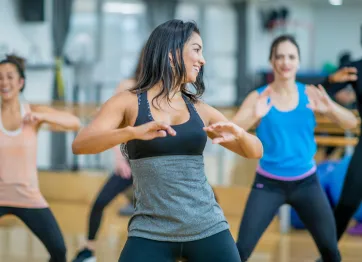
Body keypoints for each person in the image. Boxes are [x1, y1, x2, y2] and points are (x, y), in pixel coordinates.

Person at [72, 19, 263, 262]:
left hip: (207, 227)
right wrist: (131, 132)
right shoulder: (129, 102)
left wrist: (240, 134)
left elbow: (255, 151)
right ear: (172, 54)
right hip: (150, 232)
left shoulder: (200, 109)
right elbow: (81, 143)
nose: (202, 59)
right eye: (196, 50)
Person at [232, 35, 358, 262]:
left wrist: (329, 108)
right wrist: (254, 115)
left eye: (291, 56)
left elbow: (352, 122)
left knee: (331, 251)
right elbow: (231, 130)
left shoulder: (309, 94)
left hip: (307, 183)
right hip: (267, 185)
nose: (285, 62)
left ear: (298, 62)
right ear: (272, 61)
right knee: (240, 252)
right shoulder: (259, 96)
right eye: (279, 56)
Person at [0, 54, 81, 262]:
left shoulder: (33, 112)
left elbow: (74, 122)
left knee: (59, 251)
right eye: (0, 77)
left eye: (9, 77)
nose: (4, 82)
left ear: (20, 82)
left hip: (28, 195)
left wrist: (44, 117)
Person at [71, 51, 143, 262]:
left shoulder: (164, 89)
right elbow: (111, 124)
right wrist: (119, 158)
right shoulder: (128, 85)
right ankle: (88, 251)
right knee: (100, 202)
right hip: (129, 163)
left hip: (153, 166)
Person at [323, 51, 362, 242]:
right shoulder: (356, 68)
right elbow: (320, 92)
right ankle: (329, 253)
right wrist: (330, 80)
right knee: (347, 202)